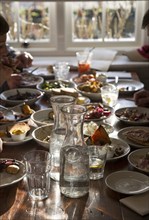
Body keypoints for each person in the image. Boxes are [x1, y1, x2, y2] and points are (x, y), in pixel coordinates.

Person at [0, 14, 33, 93]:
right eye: (0, 46)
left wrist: (17, 57)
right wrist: (4, 83)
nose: (6, 51)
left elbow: (9, 50)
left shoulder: (6, 50)